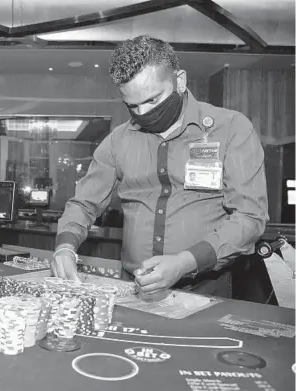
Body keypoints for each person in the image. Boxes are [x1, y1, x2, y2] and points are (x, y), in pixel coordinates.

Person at [51, 35, 268, 298]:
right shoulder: (117, 141)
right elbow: (83, 204)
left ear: (180, 81)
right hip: (133, 289)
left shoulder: (232, 129)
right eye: (133, 105)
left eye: (153, 100)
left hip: (206, 288)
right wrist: (65, 247)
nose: (142, 113)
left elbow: (249, 218)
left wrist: (185, 261)